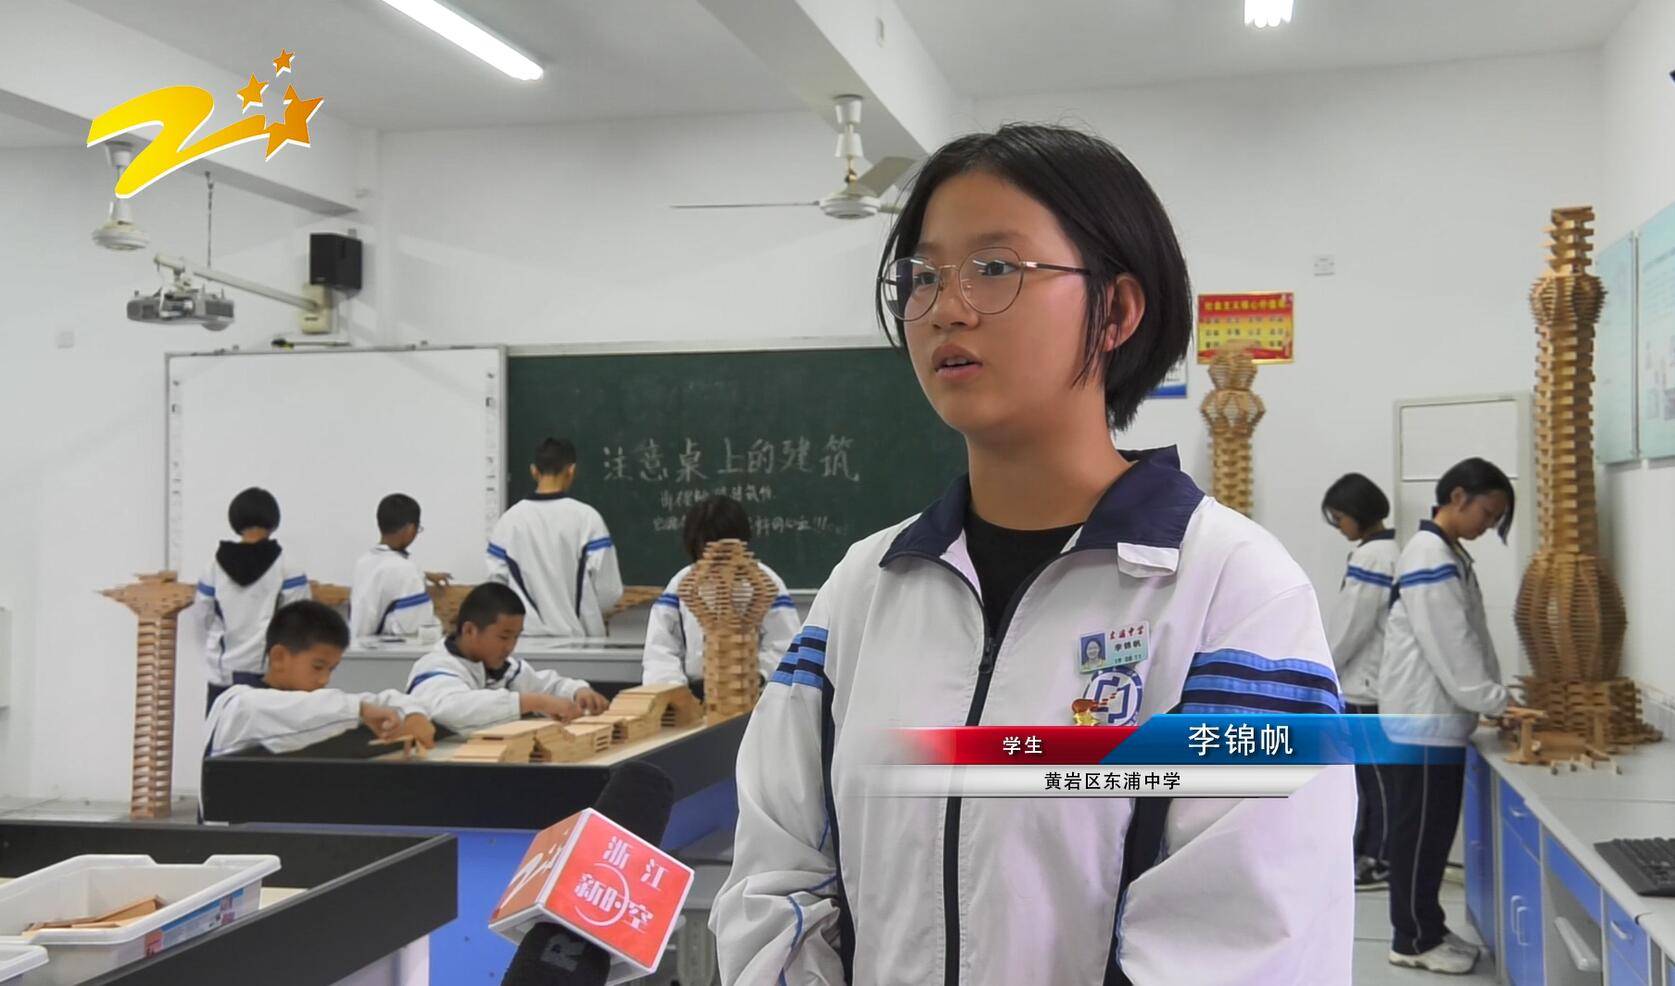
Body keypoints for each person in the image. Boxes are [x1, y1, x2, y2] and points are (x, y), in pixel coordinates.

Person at [712, 123, 1354, 985]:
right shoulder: (865, 588)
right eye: (923, 275)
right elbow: (774, 875)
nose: (947, 306)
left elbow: (1249, 935)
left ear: (1117, 310)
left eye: (995, 267)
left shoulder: (1232, 591)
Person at [1380, 457, 1515, 974]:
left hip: (1436, 722)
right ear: (1457, 497)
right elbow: (1451, 645)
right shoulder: (1428, 554)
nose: (1488, 525)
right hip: (1421, 723)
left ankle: (1426, 926)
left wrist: (1492, 699)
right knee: (1419, 838)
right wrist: (1494, 700)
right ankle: (1411, 940)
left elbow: (1468, 641)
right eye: (1487, 511)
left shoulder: (1447, 552)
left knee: (1431, 835)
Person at [204, 600, 435, 758]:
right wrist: (360, 710)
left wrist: (413, 713)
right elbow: (293, 710)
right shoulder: (239, 705)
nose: (324, 679)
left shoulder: (308, 704)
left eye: (331, 670)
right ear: (279, 657)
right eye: (318, 667)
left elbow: (377, 700)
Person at [1321, 472, 1400, 890]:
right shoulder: (1382, 551)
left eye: (1339, 517)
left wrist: (1323, 670)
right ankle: (1367, 854)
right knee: (1370, 780)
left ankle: (1379, 859)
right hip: (1369, 682)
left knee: (1376, 781)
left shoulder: (1373, 558)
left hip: (1366, 686)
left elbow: (1353, 626)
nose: (1338, 527)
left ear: (1357, 513)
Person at [641, 496, 800, 692]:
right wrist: (674, 691)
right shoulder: (682, 585)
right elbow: (660, 649)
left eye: (725, 548)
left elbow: (784, 645)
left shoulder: (765, 584)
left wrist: (756, 677)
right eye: (707, 549)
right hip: (694, 692)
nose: (717, 558)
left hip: (753, 694)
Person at [406, 582, 609, 734]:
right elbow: (451, 710)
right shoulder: (433, 667)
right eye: (503, 637)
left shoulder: (504, 667)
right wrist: (533, 702)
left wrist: (577, 692)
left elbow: (546, 685)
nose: (510, 646)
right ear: (469, 630)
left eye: (516, 636)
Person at [487, 438, 624, 637]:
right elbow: (609, 591)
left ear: (534, 470)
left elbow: (496, 587)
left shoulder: (508, 522)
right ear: (571, 470)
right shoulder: (588, 519)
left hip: (525, 642)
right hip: (582, 643)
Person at [194, 486, 311, 711]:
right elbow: (298, 620)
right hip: (269, 673)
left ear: (235, 520)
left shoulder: (213, 566)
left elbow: (203, 614)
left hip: (223, 673)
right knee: (263, 743)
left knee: (220, 740)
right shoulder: (288, 566)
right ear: (273, 520)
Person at [350, 493, 435, 640]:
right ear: (410, 529)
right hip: (388, 657)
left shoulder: (364, 562)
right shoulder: (407, 570)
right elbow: (417, 626)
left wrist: (424, 575)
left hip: (356, 648)